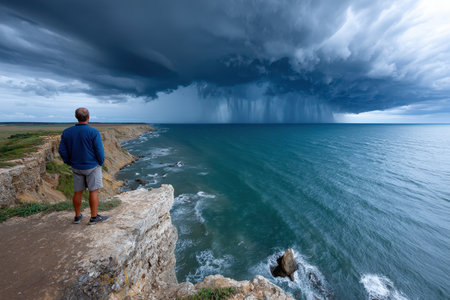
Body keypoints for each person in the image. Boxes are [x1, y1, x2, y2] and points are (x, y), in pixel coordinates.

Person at [58, 108, 109, 225]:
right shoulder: (93, 132)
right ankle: (94, 217)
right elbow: (99, 150)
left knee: (78, 192)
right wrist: (100, 162)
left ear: (76, 116)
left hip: (76, 166)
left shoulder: (67, 132)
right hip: (92, 166)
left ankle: (77, 217)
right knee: (93, 191)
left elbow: (62, 150)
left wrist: (68, 161)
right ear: (88, 117)